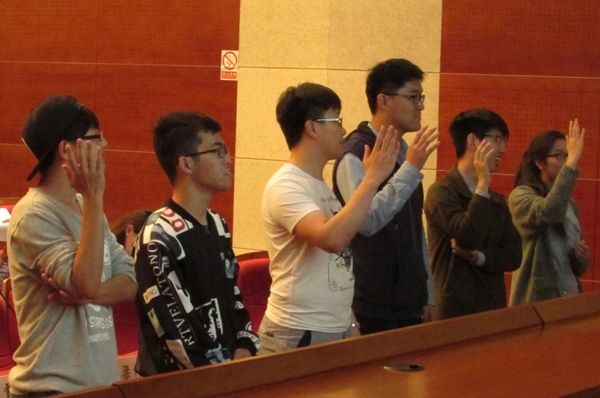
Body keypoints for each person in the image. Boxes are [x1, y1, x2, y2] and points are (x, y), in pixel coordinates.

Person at [7, 95, 137, 398]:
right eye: (96, 138)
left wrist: (91, 294)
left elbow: (130, 281)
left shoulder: (85, 207)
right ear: (67, 149)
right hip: (50, 388)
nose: (105, 145)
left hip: (98, 386)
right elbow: (87, 282)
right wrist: (93, 196)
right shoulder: (34, 214)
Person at [259, 82, 400, 353]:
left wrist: (351, 322)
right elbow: (332, 239)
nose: (343, 130)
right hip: (297, 330)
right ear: (311, 128)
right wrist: (371, 180)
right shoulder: (285, 185)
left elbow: (337, 267)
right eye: (336, 121)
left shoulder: (318, 184)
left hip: (337, 326)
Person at [134, 111, 260, 376]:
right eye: (217, 151)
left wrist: (245, 346)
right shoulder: (159, 235)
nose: (228, 159)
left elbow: (233, 295)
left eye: (225, 150)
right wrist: (215, 373)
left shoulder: (217, 224)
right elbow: (173, 328)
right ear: (186, 164)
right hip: (182, 382)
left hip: (228, 373)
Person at [333, 58, 439, 334]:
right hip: (371, 303)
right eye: (413, 97)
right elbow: (366, 221)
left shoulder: (404, 151)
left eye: (421, 97)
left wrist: (427, 292)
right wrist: (410, 169)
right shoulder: (355, 152)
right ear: (384, 100)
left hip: (409, 300)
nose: (421, 106)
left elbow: (416, 229)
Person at [424, 108, 521, 319]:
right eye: (497, 139)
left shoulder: (495, 200)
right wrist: (482, 184)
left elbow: (514, 255)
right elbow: (466, 236)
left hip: (492, 307)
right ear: (473, 141)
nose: (503, 149)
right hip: (453, 310)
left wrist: (480, 258)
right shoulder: (442, 192)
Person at [509, 120, 590, 305]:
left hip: (569, 297)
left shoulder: (570, 204)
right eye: (559, 155)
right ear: (539, 162)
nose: (566, 160)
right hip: (537, 302)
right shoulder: (520, 195)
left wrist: (581, 258)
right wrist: (571, 164)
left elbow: (576, 267)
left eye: (567, 155)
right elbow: (548, 212)